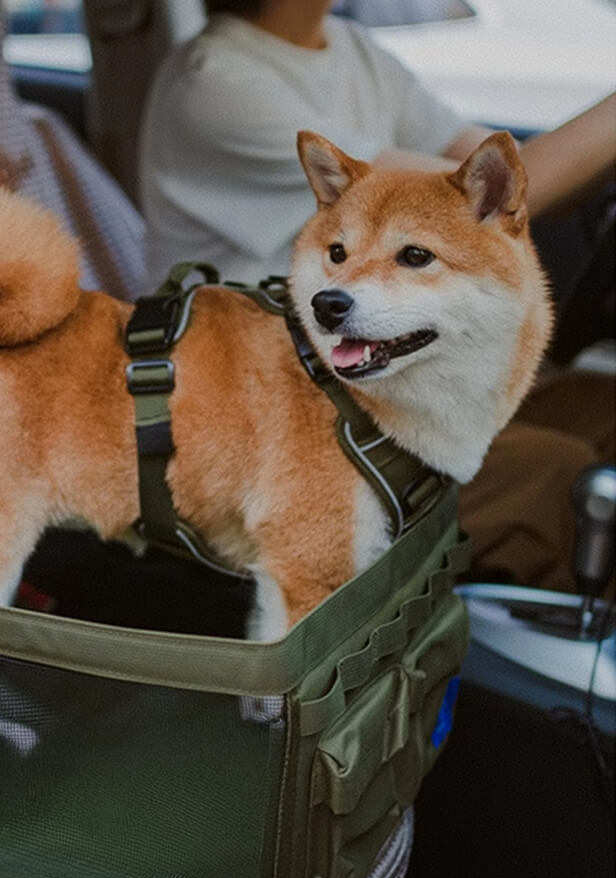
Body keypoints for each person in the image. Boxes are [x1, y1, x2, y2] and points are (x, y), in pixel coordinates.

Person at [139, 0, 616, 594]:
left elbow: (499, 175)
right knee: (560, 476)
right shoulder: (218, 84)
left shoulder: (349, 47)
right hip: (303, 418)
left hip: (402, 378)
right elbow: (484, 202)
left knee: (604, 408)